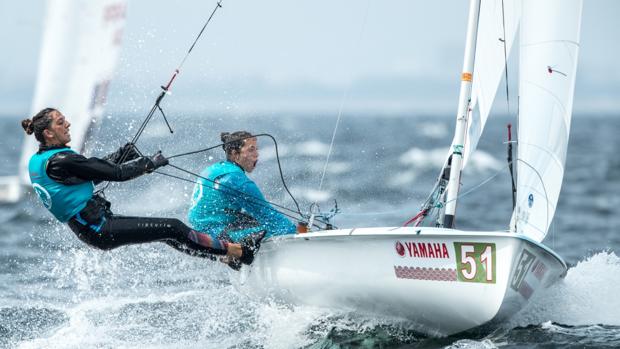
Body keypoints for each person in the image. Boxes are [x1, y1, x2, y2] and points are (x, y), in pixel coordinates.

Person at [22, 107, 257, 264]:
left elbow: (89, 173)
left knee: (169, 234)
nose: (68, 124)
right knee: (173, 228)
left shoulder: (41, 161)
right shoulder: (64, 159)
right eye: (61, 123)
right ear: (48, 133)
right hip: (99, 229)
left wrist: (122, 155)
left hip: (95, 228)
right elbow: (117, 174)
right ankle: (239, 253)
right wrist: (149, 163)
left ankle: (228, 255)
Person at [188, 131, 297, 267]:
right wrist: (298, 235)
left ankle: (235, 258)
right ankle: (240, 259)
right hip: (217, 236)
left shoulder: (217, 168)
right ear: (234, 153)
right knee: (271, 227)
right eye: (251, 150)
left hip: (200, 231)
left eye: (257, 149)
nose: (257, 154)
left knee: (258, 221)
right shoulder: (235, 179)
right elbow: (268, 216)